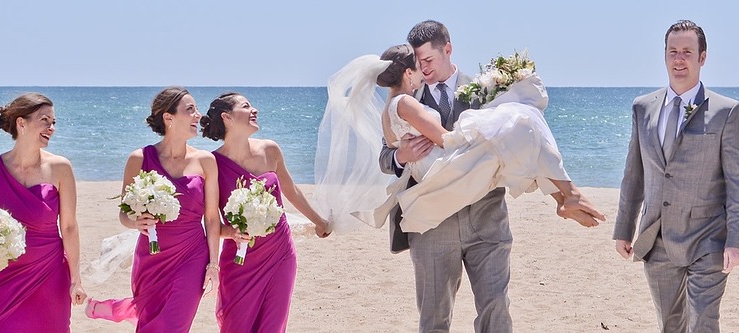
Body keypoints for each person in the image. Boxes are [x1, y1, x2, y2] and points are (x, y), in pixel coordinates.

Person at [322, 20, 602, 332]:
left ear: (448, 49)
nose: (423, 68)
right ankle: (566, 194)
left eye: (428, 60)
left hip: (487, 221)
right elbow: (386, 157)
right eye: (418, 62)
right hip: (433, 228)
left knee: (496, 311)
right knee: (434, 319)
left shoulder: (485, 88)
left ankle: (565, 197)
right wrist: (402, 156)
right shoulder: (406, 99)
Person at [612, 20, 739, 332]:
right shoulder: (642, 108)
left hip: (708, 239)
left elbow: (738, 183)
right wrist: (624, 229)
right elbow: (634, 175)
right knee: (670, 325)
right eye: (672, 51)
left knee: (702, 322)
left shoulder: (728, 112)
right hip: (657, 237)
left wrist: (736, 242)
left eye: (687, 52)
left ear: (702, 57)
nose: (679, 59)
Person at [87, 87, 222, 332]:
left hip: (192, 256)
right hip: (151, 258)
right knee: (149, 322)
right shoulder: (139, 158)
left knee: (173, 324)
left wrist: (213, 265)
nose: (198, 115)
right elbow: (124, 214)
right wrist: (136, 222)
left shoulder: (205, 161)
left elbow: (212, 218)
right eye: (190, 109)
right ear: (168, 118)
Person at [200, 92, 332, 332]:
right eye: (246, 106)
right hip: (239, 261)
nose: (255, 110)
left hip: (280, 253)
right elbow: (210, 221)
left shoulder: (270, 150)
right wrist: (231, 232)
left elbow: (292, 191)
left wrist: (319, 221)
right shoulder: (212, 163)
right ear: (227, 117)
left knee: (273, 325)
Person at [0, 93, 86, 331]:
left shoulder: (60, 168)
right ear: (21, 123)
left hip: (49, 275)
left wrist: (76, 280)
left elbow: (69, 227)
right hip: (2, 278)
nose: (51, 128)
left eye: (53, 122)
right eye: (45, 120)